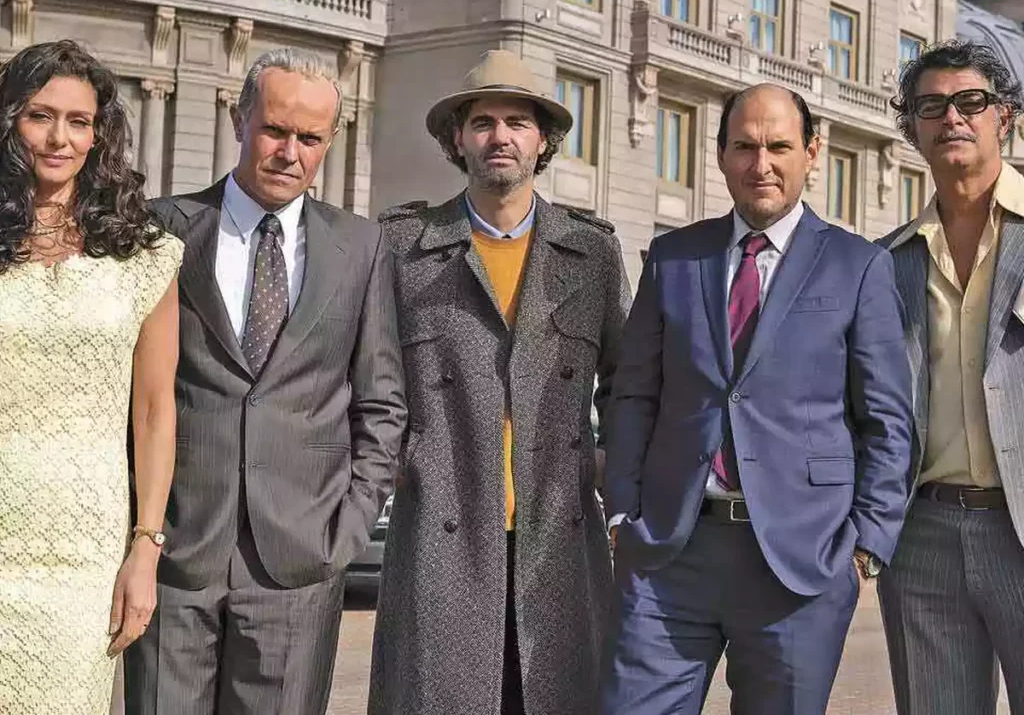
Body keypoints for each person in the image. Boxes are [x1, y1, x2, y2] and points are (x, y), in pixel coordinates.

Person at [602, 83, 914, 715]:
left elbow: (887, 419)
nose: (761, 163)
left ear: (812, 153)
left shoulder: (857, 266)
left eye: (778, 146)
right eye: (744, 146)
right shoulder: (674, 257)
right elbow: (634, 392)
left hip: (802, 563)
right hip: (670, 553)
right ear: (720, 155)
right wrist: (621, 511)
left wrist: (866, 548)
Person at [123, 48, 406, 714]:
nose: (289, 152)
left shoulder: (362, 249)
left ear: (330, 142)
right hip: (175, 554)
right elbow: (129, 393)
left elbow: (382, 403)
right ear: (238, 118)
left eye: (310, 138)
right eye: (275, 130)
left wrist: (346, 529)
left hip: (300, 564)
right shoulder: (160, 231)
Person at [370, 49, 630, 715]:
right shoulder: (404, 247)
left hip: (558, 542)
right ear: (458, 137)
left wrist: (608, 467)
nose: (500, 136)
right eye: (483, 121)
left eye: (518, 120)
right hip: (441, 538)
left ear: (544, 140)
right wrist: (401, 457)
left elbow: (627, 384)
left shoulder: (591, 252)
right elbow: (368, 374)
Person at [0, 40, 181, 714]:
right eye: (40, 116)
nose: (60, 138)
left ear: (100, 134)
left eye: (79, 121)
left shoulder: (143, 253)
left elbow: (157, 410)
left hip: (84, 552)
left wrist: (146, 547)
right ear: (10, 123)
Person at [878, 39, 1024, 715]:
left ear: (1007, 119)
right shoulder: (887, 262)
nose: (953, 119)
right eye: (931, 107)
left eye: (972, 102)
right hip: (924, 539)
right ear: (911, 129)